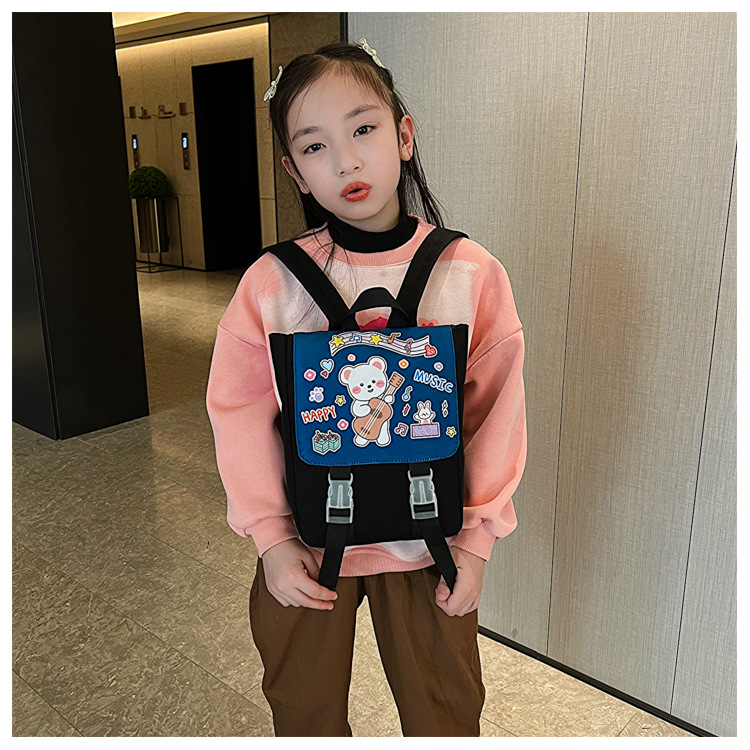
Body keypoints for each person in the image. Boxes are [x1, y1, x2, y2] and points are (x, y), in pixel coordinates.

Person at [205, 39, 527, 737]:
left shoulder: (470, 272)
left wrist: (477, 540)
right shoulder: (272, 283)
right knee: (302, 703)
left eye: (363, 129)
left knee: (445, 707)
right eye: (314, 147)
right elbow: (239, 413)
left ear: (404, 136)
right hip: (307, 543)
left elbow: (495, 412)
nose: (345, 161)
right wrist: (270, 537)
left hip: (431, 544)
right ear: (294, 171)